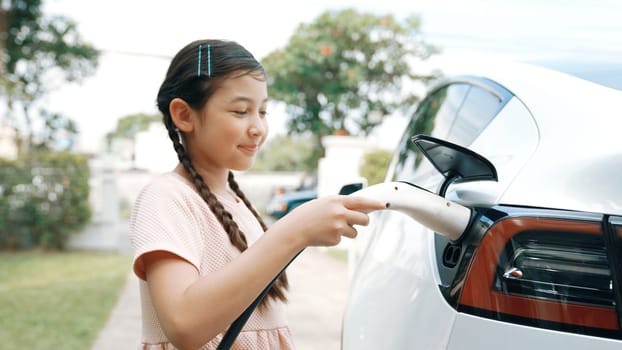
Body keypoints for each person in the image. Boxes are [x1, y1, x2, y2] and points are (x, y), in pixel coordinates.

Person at [128, 39, 385, 350]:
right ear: (184, 115)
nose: (258, 128)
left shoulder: (236, 203)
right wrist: (295, 230)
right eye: (240, 111)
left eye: (262, 111)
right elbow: (184, 325)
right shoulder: (166, 197)